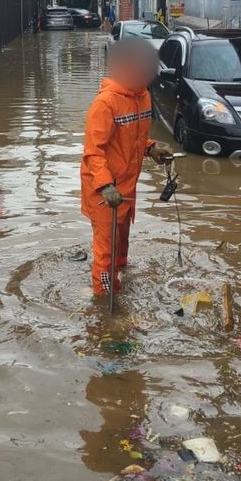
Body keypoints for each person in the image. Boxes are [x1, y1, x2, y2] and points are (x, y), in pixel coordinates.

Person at [80, 38, 172, 297]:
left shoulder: (143, 97)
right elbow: (93, 152)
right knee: (106, 254)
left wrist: (151, 148)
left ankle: (122, 279)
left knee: (121, 245)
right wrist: (105, 186)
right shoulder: (105, 104)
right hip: (104, 193)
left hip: (127, 189)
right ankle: (105, 299)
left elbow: (133, 138)